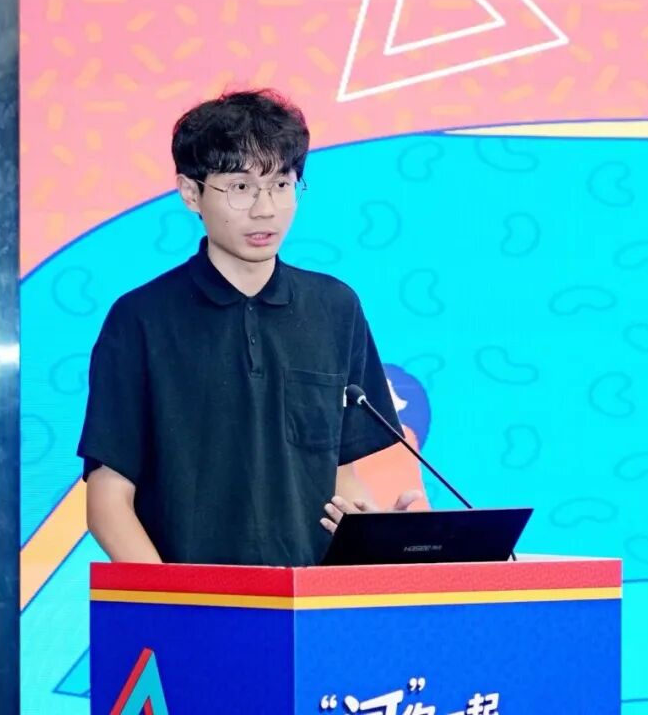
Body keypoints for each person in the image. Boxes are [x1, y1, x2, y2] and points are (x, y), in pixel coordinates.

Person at [79, 89, 421, 566]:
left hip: (311, 598)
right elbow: (108, 499)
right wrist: (171, 599)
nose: (266, 209)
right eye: (241, 187)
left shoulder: (335, 308)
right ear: (191, 193)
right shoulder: (140, 319)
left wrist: (373, 534)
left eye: (281, 184)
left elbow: (337, 471)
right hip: (197, 599)